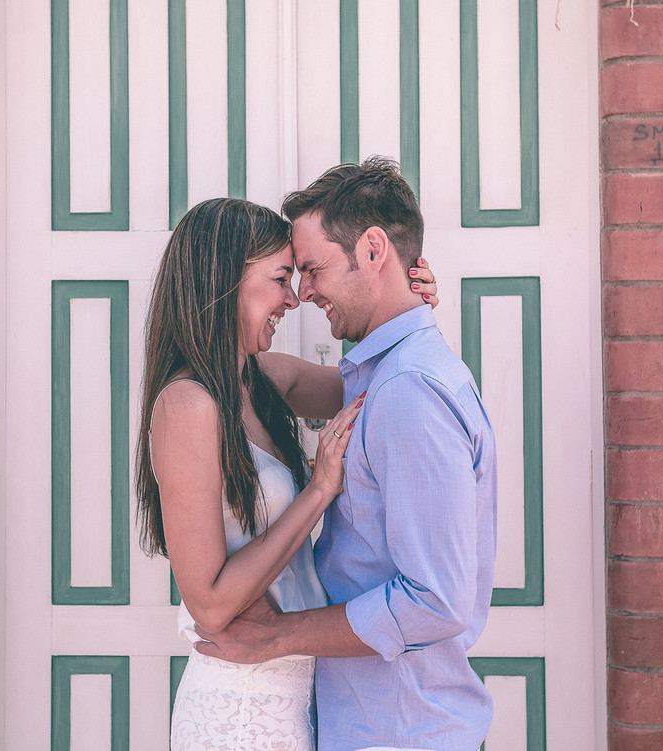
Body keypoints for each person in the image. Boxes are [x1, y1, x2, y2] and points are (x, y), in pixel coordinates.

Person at [194, 158, 498, 751]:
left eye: (312, 269)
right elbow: (264, 378)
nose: (303, 294)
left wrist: (279, 636)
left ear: (373, 249)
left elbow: (436, 601)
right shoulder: (384, 376)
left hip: (398, 734)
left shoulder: (409, 391)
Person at [135, 197, 438, 750]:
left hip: (298, 694)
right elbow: (210, 603)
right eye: (280, 279)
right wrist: (319, 489)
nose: (294, 299)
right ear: (225, 280)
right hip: (238, 710)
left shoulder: (262, 379)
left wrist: (405, 310)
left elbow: (384, 389)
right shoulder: (186, 405)